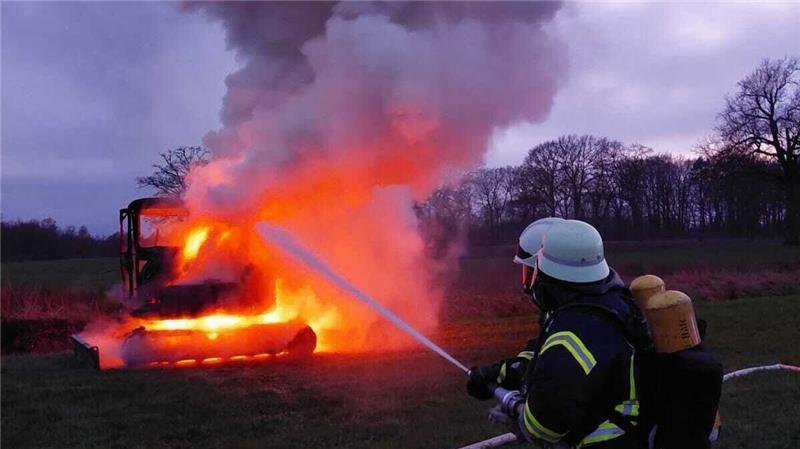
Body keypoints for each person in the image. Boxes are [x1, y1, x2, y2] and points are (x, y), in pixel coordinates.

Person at [467, 219, 649, 448]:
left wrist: (514, 408)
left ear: (548, 276)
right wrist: (499, 373)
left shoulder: (571, 336)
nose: (528, 286)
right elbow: (543, 357)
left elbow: (541, 428)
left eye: (530, 274)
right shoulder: (609, 305)